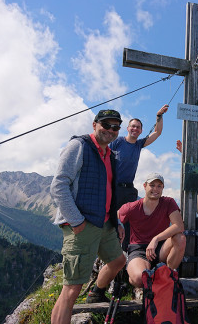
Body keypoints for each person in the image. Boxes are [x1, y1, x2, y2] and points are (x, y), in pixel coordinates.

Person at [50, 109, 127, 324]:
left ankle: (96, 292)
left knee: (119, 259)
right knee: (72, 289)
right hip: (82, 224)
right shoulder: (79, 146)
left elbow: (107, 192)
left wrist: (117, 221)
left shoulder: (110, 155)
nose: (111, 130)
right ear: (94, 125)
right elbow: (58, 186)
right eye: (106, 125)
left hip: (105, 223)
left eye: (115, 127)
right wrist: (77, 221)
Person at [110, 104, 169, 250]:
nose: (135, 129)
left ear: (141, 130)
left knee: (131, 220)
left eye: (138, 127)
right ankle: (110, 252)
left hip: (128, 189)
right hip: (113, 187)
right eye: (133, 126)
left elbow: (157, 132)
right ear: (128, 128)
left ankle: (128, 250)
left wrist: (159, 116)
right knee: (111, 219)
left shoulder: (139, 144)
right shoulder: (117, 142)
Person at [117, 173, 186, 288]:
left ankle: (167, 276)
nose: (155, 189)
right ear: (145, 186)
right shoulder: (132, 207)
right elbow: (114, 216)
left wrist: (156, 239)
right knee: (139, 279)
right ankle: (138, 273)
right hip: (138, 249)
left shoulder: (168, 202)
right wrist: (119, 225)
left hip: (160, 247)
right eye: (152, 185)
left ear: (163, 188)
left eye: (159, 186)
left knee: (180, 238)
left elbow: (179, 226)